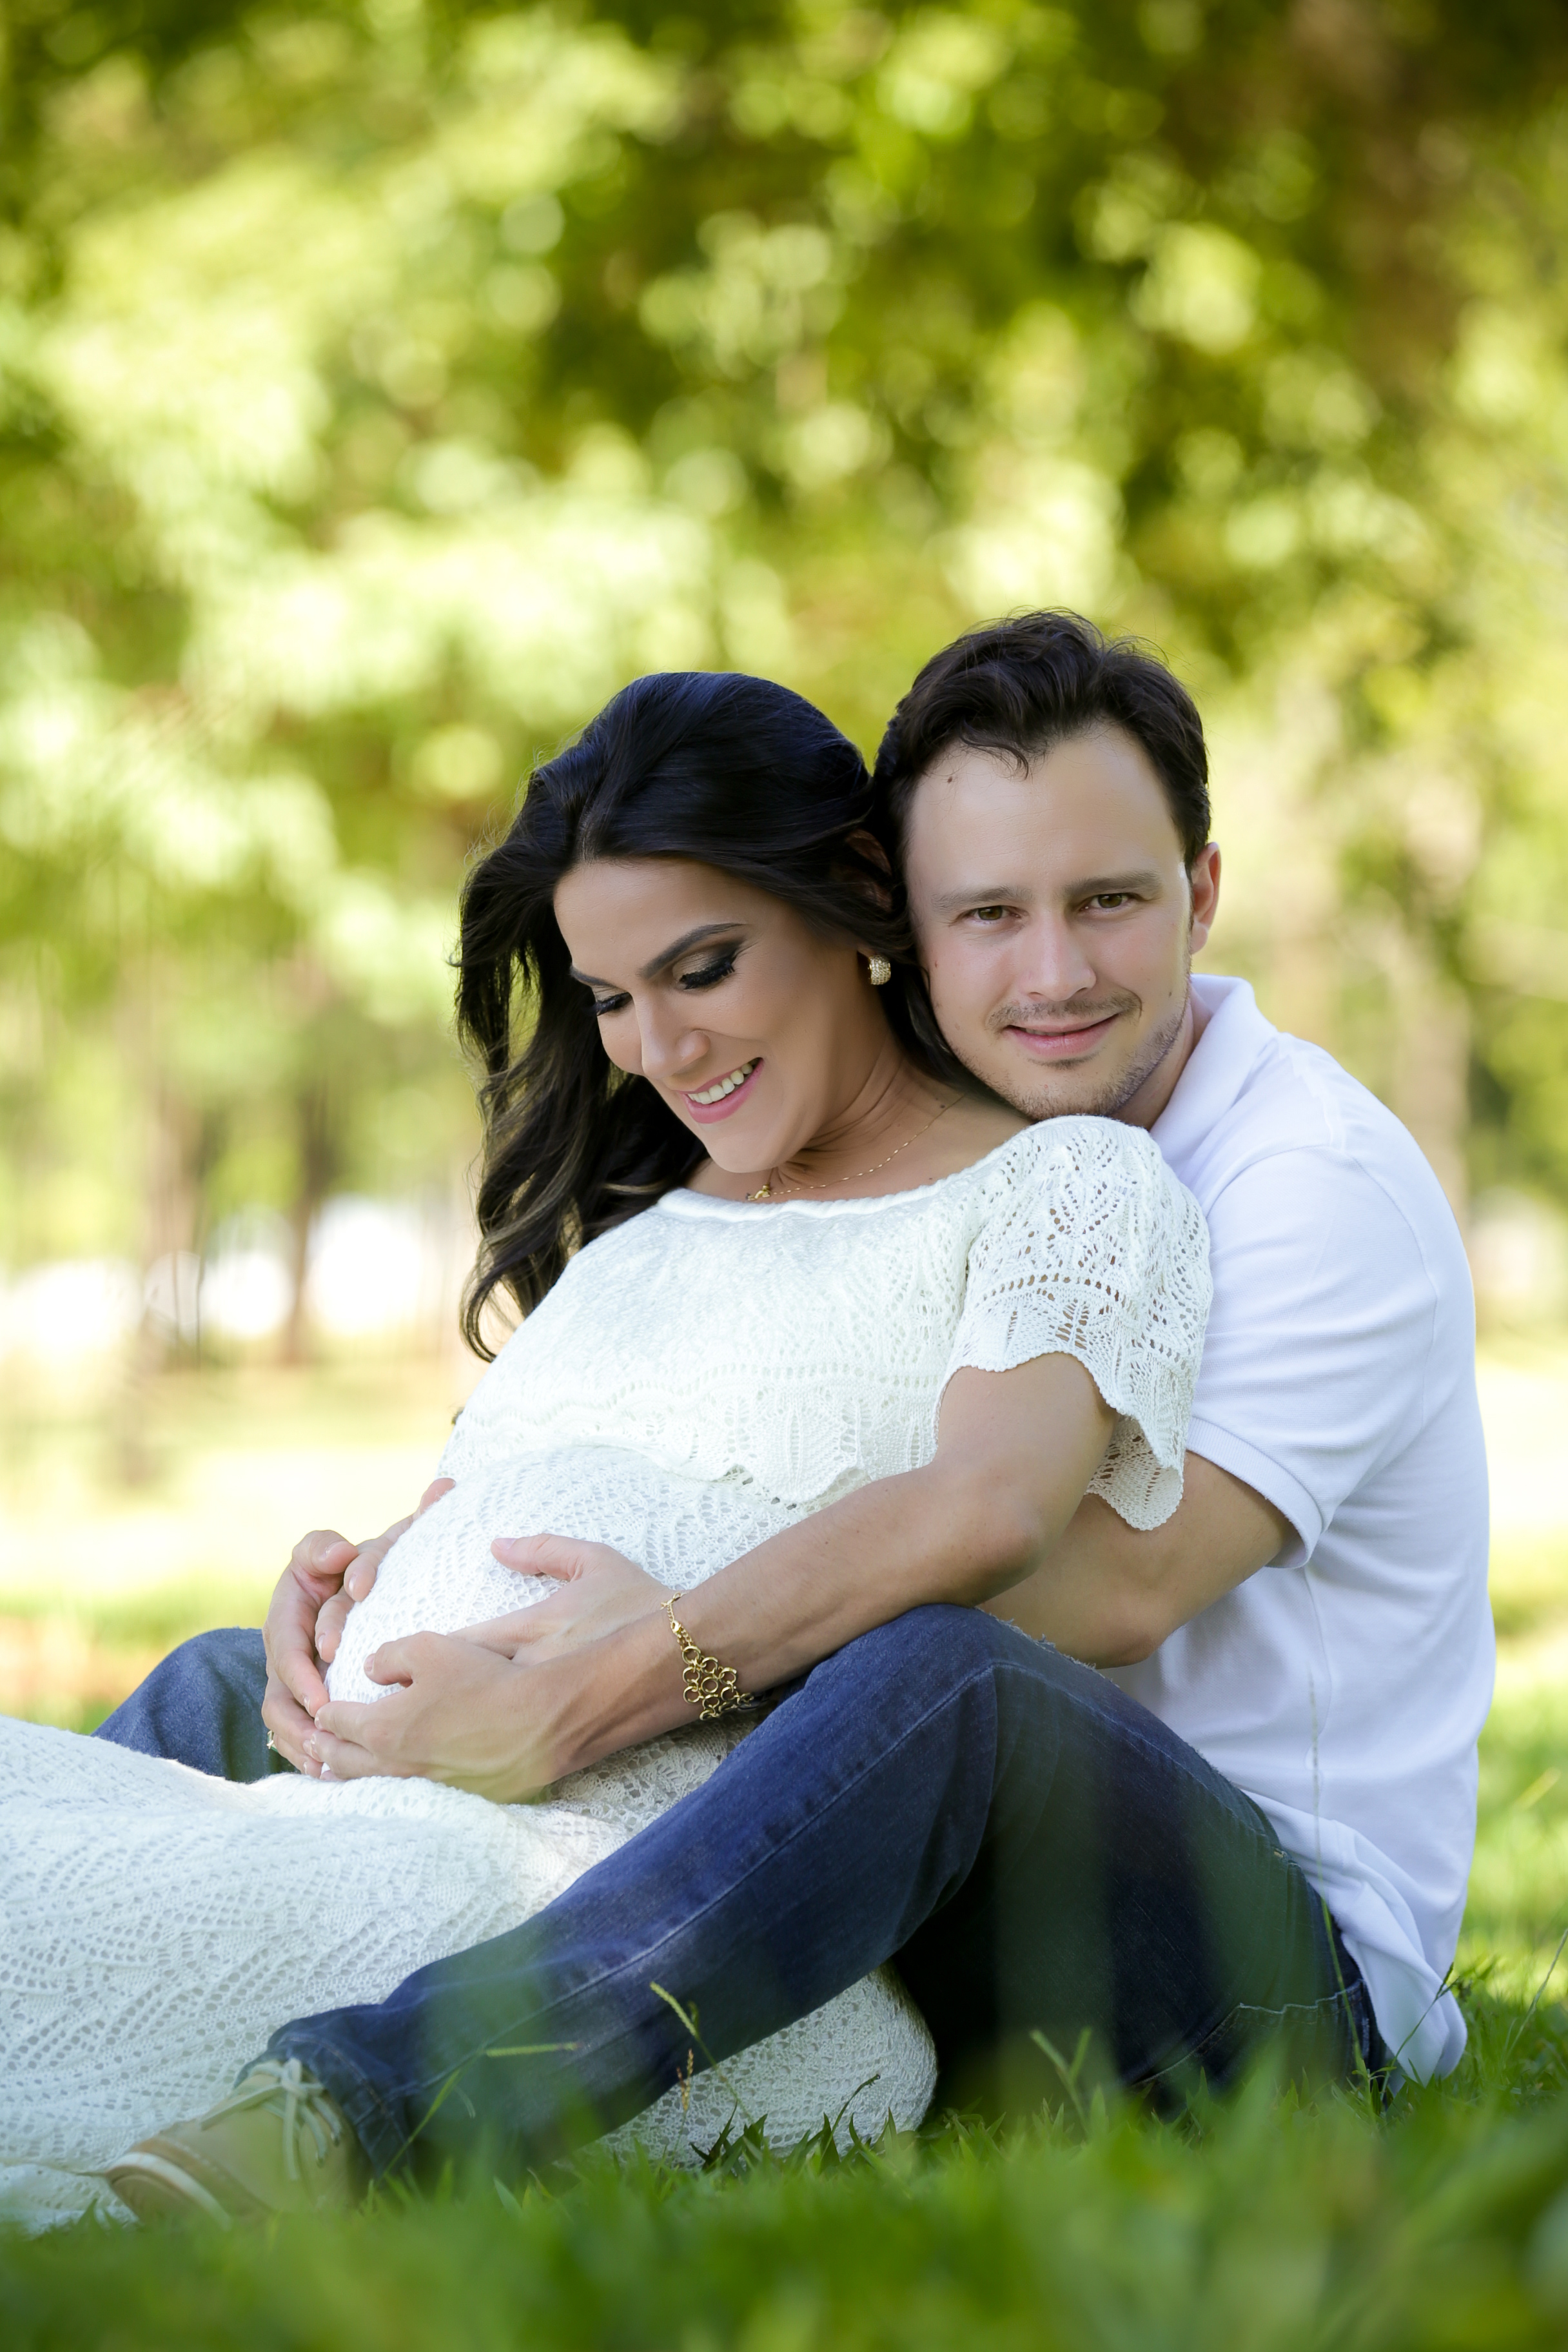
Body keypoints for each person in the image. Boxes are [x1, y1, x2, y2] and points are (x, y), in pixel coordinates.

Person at [86, 614, 1491, 2220]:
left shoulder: (1305, 1185)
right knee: (242, 1684)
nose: (1050, 976)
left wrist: (640, 1655)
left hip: (1262, 1968)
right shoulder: (950, 1160)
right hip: (911, 1873)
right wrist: (383, 1596)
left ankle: (360, 2117)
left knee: (945, 1677)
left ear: (1203, 894)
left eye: (1107, 902)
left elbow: (1110, 1590)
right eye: (988, 913)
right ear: (901, 915)